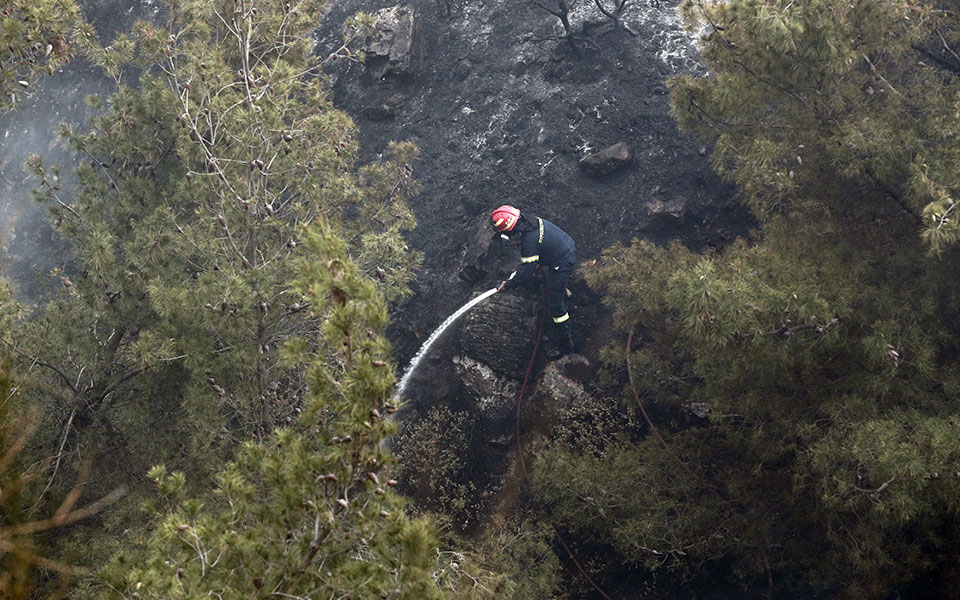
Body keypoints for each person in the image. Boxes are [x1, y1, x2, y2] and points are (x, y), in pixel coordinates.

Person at [492, 205, 576, 360]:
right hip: (561, 246)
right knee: (538, 270)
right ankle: (562, 287)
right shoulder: (530, 221)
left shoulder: (529, 242)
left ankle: (566, 345)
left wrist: (508, 284)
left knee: (555, 306)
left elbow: (525, 273)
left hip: (563, 260)